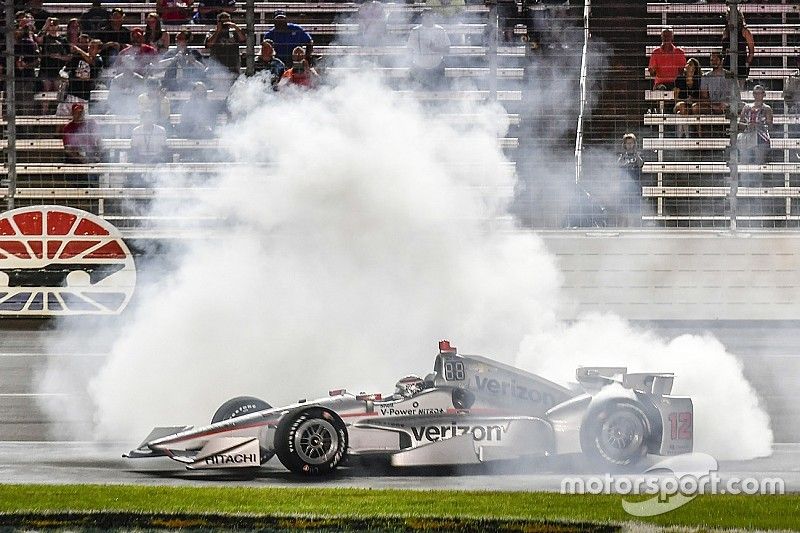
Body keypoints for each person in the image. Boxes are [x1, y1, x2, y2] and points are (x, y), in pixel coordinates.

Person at [58, 35, 103, 115]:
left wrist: (78, 50)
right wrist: (63, 74)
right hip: (70, 94)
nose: (89, 49)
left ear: (99, 50)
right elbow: (65, 69)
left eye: (93, 47)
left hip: (83, 96)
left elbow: (90, 61)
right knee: (61, 119)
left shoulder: (98, 60)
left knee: (81, 122)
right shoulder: (78, 57)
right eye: (89, 46)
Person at [407, 9, 450, 88]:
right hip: (419, 68)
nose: (428, 18)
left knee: (439, 94)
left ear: (434, 17)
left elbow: (447, 50)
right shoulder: (415, 31)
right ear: (422, 17)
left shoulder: (440, 30)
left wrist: (436, 49)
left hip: (436, 68)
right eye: (426, 16)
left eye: (430, 16)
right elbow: (409, 50)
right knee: (418, 95)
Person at [738, 85, 773, 184]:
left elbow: (770, 125)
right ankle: (744, 184)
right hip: (747, 136)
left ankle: (758, 186)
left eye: (760, 93)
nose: (758, 95)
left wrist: (758, 125)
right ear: (753, 95)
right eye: (755, 93)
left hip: (761, 136)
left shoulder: (767, 109)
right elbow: (740, 123)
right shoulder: (747, 107)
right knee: (744, 161)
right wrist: (748, 126)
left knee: (759, 162)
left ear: (764, 95)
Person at [36, 17, 70, 114]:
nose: (52, 26)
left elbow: (69, 56)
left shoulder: (63, 40)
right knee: (46, 87)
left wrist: (59, 57)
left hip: (58, 70)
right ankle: (44, 113)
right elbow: (38, 39)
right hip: (46, 69)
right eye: (51, 24)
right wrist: (45, 26)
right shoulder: (46, 38)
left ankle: (57, 112)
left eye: (54, 24)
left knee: (58, 88)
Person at [721, 6, 755, 89]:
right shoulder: (726, 31)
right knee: (727, 87)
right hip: (728, 62)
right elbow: (723, 49)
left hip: (741, 61)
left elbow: (751, 50)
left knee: (739, 88)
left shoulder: (745, 31)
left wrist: (747, 63)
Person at [698, 50, 737, 116]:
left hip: (726, 104)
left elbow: (733, 94)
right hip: (711, 106)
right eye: (712, 60)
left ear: (722, 60)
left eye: (716, 59)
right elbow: (704, 96)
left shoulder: (729, 75)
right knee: (696, 107)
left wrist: (725, 103)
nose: (714, 62)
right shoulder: (706, 76)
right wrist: (713, 105)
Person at [617, 133, 645, 226]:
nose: (629, 145)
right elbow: (618, 165)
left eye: (631, 143)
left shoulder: (638, 154)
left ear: (634, 144)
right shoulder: (622, 155)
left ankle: (635, 227)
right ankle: (624, 227)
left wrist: (636, 155)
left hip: (635, 185)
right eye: (627, 143)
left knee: (635, 208)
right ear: (624, 144)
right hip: (625, 186)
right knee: (624, 209)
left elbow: (641, 164)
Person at [14, 14, 40, 115]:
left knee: (27, 108)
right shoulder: (8, 45)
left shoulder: (29, 43)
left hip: (27, 79)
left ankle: (27, 130)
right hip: (13, 79)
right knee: (14, 108)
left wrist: (26, 65)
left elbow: (37, 61)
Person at [673, 58, 702, 138]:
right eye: (687, 64)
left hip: (693, 105)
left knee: (681, 113)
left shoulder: (699, 80)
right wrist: (685, 101)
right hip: (679, 104)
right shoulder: (679, 80)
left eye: (690, 64)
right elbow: (675, 98)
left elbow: (701, 96)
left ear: (695, 68)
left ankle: (683, 137)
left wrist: (691, 101)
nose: (687, 66)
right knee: (682, 107)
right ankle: (688, 137)